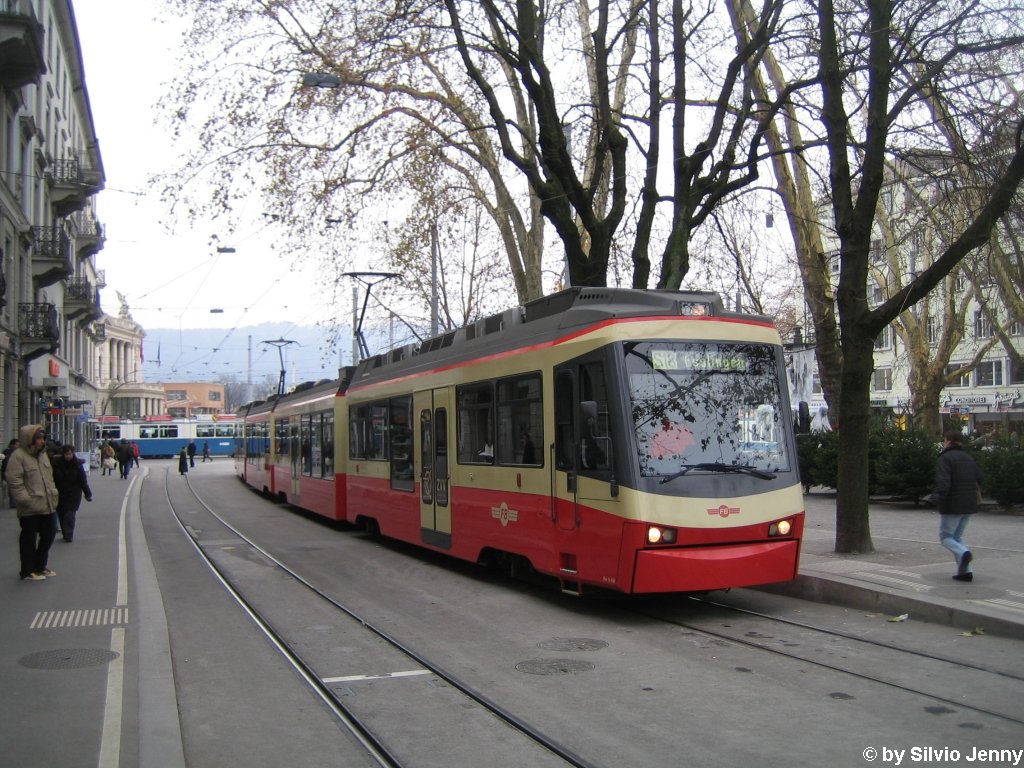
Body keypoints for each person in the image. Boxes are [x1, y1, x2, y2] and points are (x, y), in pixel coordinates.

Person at [927, 429, 983, 582]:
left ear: (948, 441)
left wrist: (934, 498)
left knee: (946, 537)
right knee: (957, 537)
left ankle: (965, 553)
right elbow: (979, 477)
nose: (943, 443)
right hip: (969, 503)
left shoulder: (945, 458)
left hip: (952, 504)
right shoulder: (968, 458)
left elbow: (944, 483)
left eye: (944, 440)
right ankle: (965, 572)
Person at [6, 425, 60, 580]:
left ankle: (40, 566)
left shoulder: (42, 455)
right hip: (30, 507)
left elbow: (49, 478)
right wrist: (25, 500)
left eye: (43, 438)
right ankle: (27, 570)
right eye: (38, 439)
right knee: (28, 539)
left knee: (49, 535)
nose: (42, 442)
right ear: (30, 440)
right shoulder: (19, 456)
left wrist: (53, 493)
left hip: (47, 504)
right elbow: (14, 480)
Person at [52, 445, 92, 543]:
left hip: (73, 494)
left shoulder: (77, 465)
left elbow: (83, 480)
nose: (68, 456)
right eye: (66, 454)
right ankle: (65, 533)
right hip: (59, 493)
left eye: (70, 454)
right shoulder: (56, 464)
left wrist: (88, 494)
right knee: (61, 514)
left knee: (70, 514)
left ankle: (69, 535)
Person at [2, 437, 19, 507]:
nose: (17, 446)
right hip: (9, 473)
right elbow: (5, 464)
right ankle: (12, 503)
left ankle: (14, 503)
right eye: (16, 445)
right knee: (12, 488)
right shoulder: (8, 452)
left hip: (15, 472)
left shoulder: (16, 452)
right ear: (12, 445)